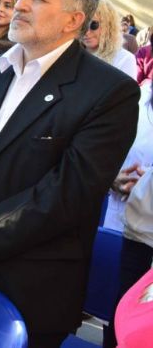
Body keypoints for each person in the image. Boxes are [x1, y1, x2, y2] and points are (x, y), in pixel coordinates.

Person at [0, 0, 140, 348]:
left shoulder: (110, 92)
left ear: (72, 20)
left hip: (32, 283)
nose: (21, 4)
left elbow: (70, 191)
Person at [101, 83, 153, 348]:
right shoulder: (135, 97)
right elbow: (102, 156)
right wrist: (112, 179)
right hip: (138, 232)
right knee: (122, 324)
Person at [81, 0, 137, 79]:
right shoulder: (71, 53)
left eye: (93, 24)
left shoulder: (124, 59)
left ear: (108, 26)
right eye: (82, 25)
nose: (86, 32)